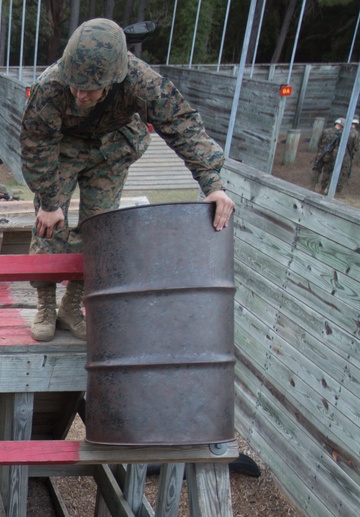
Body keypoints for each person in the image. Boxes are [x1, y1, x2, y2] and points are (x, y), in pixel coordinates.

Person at [20, 18, 235, 343]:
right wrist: (50, 202)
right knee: (49, 225)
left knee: (101, 229)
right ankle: (46, 306)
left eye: (89, 88)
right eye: (74, 84)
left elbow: (180, 123)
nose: (79, 93)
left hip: (112, 146)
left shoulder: (139, 80)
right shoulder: (50, 87)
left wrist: (213, 184)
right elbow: (36, 146)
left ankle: (71, 305)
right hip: (61, 148)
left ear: (113, 79)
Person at [311, 116, 357, 193]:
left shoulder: (326, 131)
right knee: (327, 172)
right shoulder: (340, 134)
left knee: (316, 169)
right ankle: (324, 188)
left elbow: (319, 143)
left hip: (321, 154)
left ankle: (312, 186)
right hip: (331, 156)